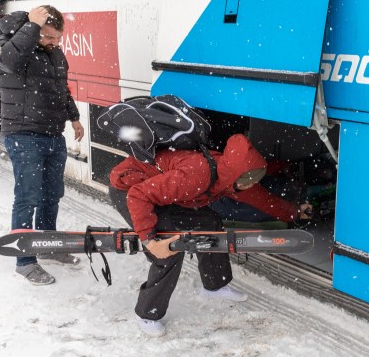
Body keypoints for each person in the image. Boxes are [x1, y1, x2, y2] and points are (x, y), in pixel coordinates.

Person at [109, 133, 312, 337]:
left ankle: (214, 285)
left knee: (210, 222)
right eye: (249, 182)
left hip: (159, 192)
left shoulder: (231, 177)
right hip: (130, 190)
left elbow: (262, 199)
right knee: (169, 249)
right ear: (237, 176)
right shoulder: (197, 174)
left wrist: (294, 211)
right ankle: (147, 313)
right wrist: (150, 240)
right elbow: (138, 195)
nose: (251, 186)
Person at [0, 5, 85, 285]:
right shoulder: (6, 46)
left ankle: (48, 245)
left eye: (57, 38)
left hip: (52, 135)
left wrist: (74, 118)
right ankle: (25, 261)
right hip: (23, 135)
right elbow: (9, 61)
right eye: (47, 37)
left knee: (51, 194)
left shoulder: (53, 53)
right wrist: (31, 28)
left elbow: (60, 87)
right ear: (31, 28)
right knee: (28, 197)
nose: (53, 43)